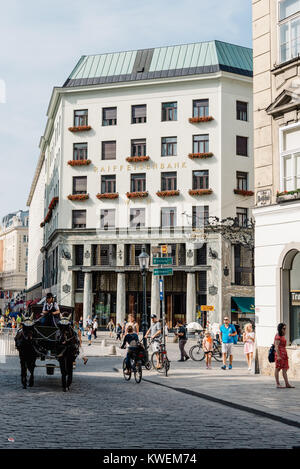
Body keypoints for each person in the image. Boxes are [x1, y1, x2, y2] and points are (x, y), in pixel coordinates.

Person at [274, 323, 294, 389]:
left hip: (284, 354)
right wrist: (279, 356)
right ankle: (277, 383)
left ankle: (287, 383)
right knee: (278, 368)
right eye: (283, 328)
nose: (285, 330)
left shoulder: (282, 336)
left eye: (285, 328)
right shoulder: (278, 336)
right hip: (279, 354)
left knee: (285, 369)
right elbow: (276, 347)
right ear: (280, 329)